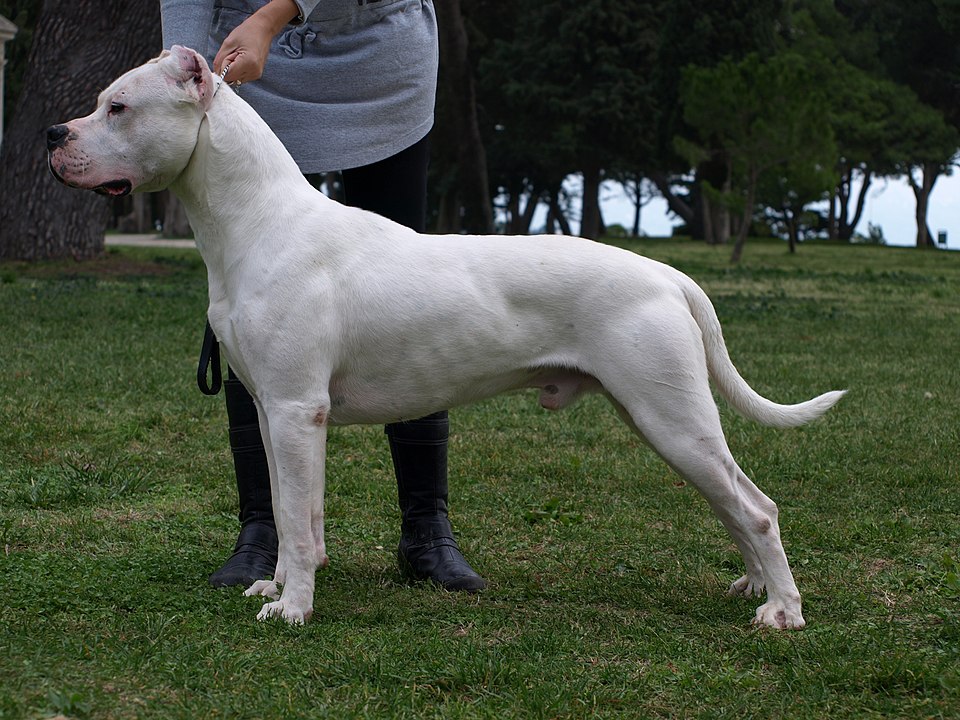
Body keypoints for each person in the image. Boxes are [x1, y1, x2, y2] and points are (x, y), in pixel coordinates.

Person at [160, 0, 485, 592]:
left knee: (413, 295)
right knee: (262, 303)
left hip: (378, 60)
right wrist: (177, 66)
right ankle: (264, 531)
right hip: (254, 72)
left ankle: (426, 529)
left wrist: (273, 14)